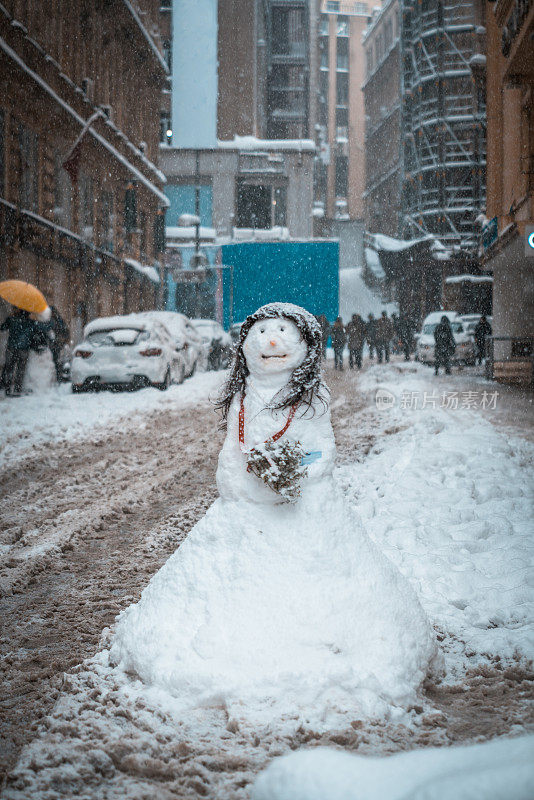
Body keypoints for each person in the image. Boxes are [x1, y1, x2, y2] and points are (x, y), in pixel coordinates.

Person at [110, 303, 441, 728]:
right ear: (245, 345)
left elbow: (323, 445)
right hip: (243, 510)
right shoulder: (242, 398)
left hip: (308, 510)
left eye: (283, 332)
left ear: (305, 343)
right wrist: (235, 483)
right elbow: (233, 448)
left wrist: (301, 475)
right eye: (262, 333)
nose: (271, 341)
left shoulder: (312, 397)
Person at [0, 308, 36, 396]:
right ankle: (17, 389)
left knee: (9, 368)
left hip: (11, 347)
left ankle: (8, 389)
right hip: (24, 349)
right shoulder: (30, 322)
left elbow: (2, 328)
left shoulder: (12, 319)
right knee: (21, 370)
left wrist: (9, 318)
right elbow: (34, 334)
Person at [47, 305, 70, 382]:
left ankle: (58, 378)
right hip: (56, 344)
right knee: (57, 361)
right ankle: (58, 377)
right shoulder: (58, 319)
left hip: (55, 344)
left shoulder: (53, 320)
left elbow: (65, 331)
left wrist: (61, 340)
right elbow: (66, 331)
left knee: (56, 361)